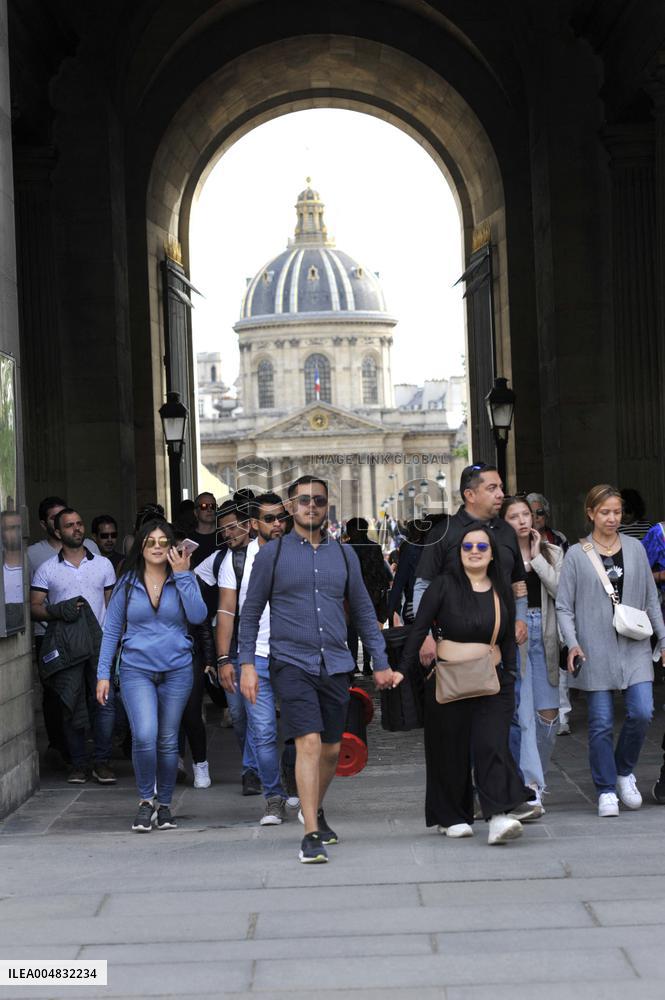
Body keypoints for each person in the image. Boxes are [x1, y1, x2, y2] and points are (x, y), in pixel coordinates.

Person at [238, 475, 400, 864]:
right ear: (290, 507)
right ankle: (310, 833)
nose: (312, 506)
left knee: (331, 749)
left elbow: (363, 611)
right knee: (307, 742)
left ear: (328, 506)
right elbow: (250, 613)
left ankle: (314, 806)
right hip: (291, 662)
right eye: (304, 500)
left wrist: (380, 662)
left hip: (336, 664)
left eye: (320, 500)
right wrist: (246, 664)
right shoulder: (271, 556)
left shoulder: (343, 555)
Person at [397, 523, 533, 844]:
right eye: (467, 546)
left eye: (482, 547)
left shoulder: (501, 589)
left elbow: (508, 641)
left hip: (492, 680)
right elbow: (419, 629)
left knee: (492, 744)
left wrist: (510, 678)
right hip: (448, 680)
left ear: (492, 554)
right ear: (458, 553)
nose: (474, 552)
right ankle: (451, 816)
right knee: (449, 750)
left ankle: (498, 816)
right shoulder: (442, 585)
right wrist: (401, 671)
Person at [556, 484, 665, 817]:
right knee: (601, 722)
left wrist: (663, 638)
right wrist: (573, 643)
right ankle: (605, 789)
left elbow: (650, 598)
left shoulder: (635, 548)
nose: (612, 518)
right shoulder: (577, 555)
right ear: (591, 513)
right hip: (594, 646)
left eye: (617, 512)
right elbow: (564, 606)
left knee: (642, 711)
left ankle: (623, 771)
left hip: (634, 644)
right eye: (605, 512)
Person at [96, 519, 207, 832]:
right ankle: (146, 802)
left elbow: (199, 615)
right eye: (150, 542)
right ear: (141, 546)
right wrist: (103, 674)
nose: (157, 547)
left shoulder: (183, 577)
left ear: (172, 547)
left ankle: (165, 805)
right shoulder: (127, 583)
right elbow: (112, 631)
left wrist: (183, 575)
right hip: (137, 670)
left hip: (177, 670)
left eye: (163, 542)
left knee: (168, 741)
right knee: (145, 735)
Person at [217, 492, 290, 824]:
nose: (277, 524)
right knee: (262, 731)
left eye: (281, 518)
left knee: (299, 729)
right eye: (269, 519)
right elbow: (226, 612)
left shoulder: (300, 553)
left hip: (293, 656)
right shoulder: (237, 561)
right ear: (254, 524)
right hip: (255, 656)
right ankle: (273, 796)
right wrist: (224, 659)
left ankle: (297, 786)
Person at [30, 508, 116, 783]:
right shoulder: (47, 568)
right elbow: (34, 607)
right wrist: (58, 611)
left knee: (105, 704)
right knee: (70, 703)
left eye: (79, 523)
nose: (77, 528)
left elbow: (112, 605)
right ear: (57, 532)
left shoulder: (103, 564)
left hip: (100, 644)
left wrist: (116, 640)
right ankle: (78, 764)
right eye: (69, 525)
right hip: (67, 648)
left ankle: (102, 762)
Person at [500, 496, 563, 812]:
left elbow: (562, 592)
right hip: (518, 635)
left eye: (526, 514)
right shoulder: (500, 555)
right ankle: (531, 784)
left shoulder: (553, 552)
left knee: (549, 718)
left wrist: (537, 558)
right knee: (523, 715)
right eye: (514, 516)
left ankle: (536, 777)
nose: (523, 520)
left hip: (547, 634)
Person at [344, 516, 392, 675]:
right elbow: (380, 572)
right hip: (369, 594)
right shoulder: (373, 547)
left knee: (352, 631)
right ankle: (365, 663)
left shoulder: (345, 548)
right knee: (366, 629)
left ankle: (354, 663)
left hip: (352, 594)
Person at [189, 492, 219, 567]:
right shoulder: (188, 540)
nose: (209, 509)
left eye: (212, 506)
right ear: (196, 512)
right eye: (204, 506)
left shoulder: (225, 535)